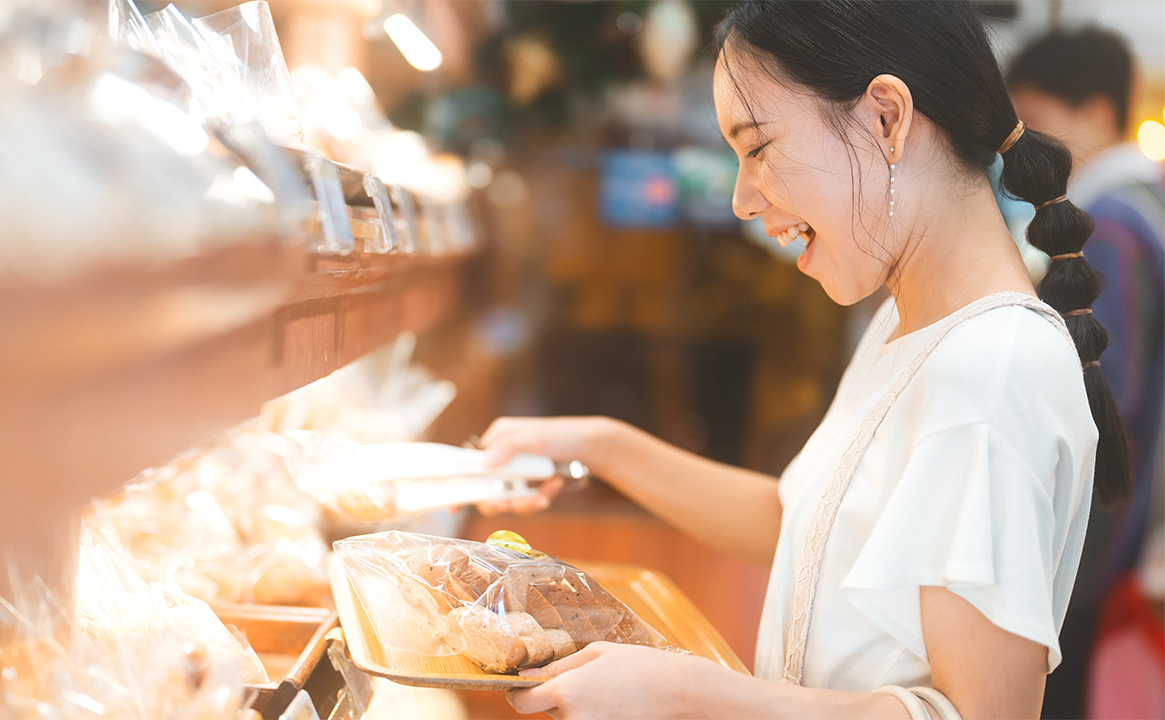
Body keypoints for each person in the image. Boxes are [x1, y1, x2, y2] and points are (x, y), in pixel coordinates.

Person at [478, 2, 1133, 717]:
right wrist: (600, 446)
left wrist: (694, 696)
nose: (740, 200)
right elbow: (803, 524)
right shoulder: (908, 323)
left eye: (757, 149)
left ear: (885, 118)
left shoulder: (991, 365)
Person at [1007, 27, 1165, 719]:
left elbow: (1107, 396)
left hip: (1103, 529)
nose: (1024, 153)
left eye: (1038, 123)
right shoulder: (1148, 205)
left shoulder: (1111, 220)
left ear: (1097, 115)